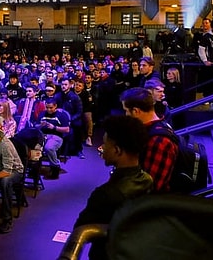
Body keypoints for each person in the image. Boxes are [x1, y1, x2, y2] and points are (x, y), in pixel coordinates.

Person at [72, 115, 153, 260]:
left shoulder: (106, 194)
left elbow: (80, 228)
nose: (102, 148)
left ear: (117, 150)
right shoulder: (147, 180)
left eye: (105, 144)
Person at [120, 87, 178, 193]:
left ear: (136, 111)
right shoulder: (159, 125)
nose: (126, 115)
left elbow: (150, 187)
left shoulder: (159, 142)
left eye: (126, 111)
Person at [33, 97, 71, 179]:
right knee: (33, 146)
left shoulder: (61, 115)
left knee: (48, 148)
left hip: (56, 136)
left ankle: (55, 167)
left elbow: (67, 129)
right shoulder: (42, 114)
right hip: (43, 135)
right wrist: (41, 125)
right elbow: (35, 126)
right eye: (47, 107)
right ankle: (34, 169)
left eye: (51, 108)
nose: (49, 110)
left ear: (55, 106)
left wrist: (54, 127)